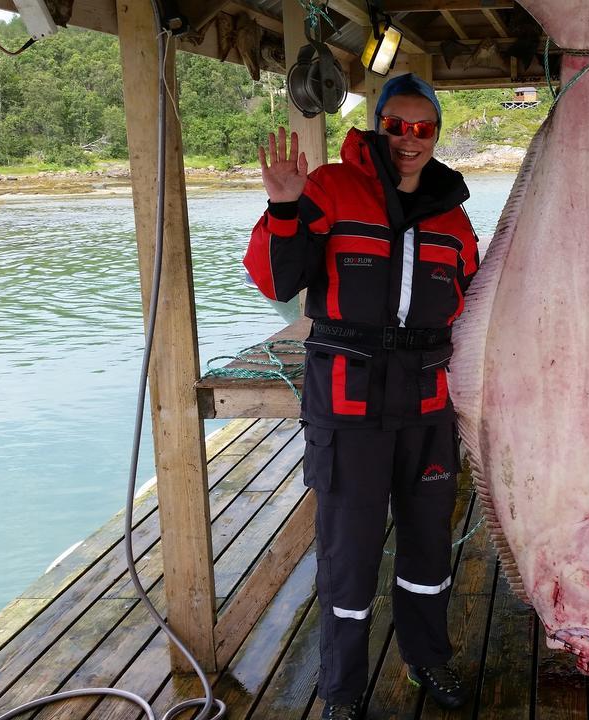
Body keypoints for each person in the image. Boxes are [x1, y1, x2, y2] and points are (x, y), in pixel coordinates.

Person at [243, 73, 478, 720]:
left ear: (435, 133)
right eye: (396, 125)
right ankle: (342, 689)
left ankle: (427, 656)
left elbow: (476, 305)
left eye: (422, 127)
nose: (409, 138)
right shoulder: (329, 190)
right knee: (349, 552)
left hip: (430, 407)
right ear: (379, 127)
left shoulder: (454, 219)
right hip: (349, 407)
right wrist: (284, 208)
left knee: (430, 546)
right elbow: (276, 279)